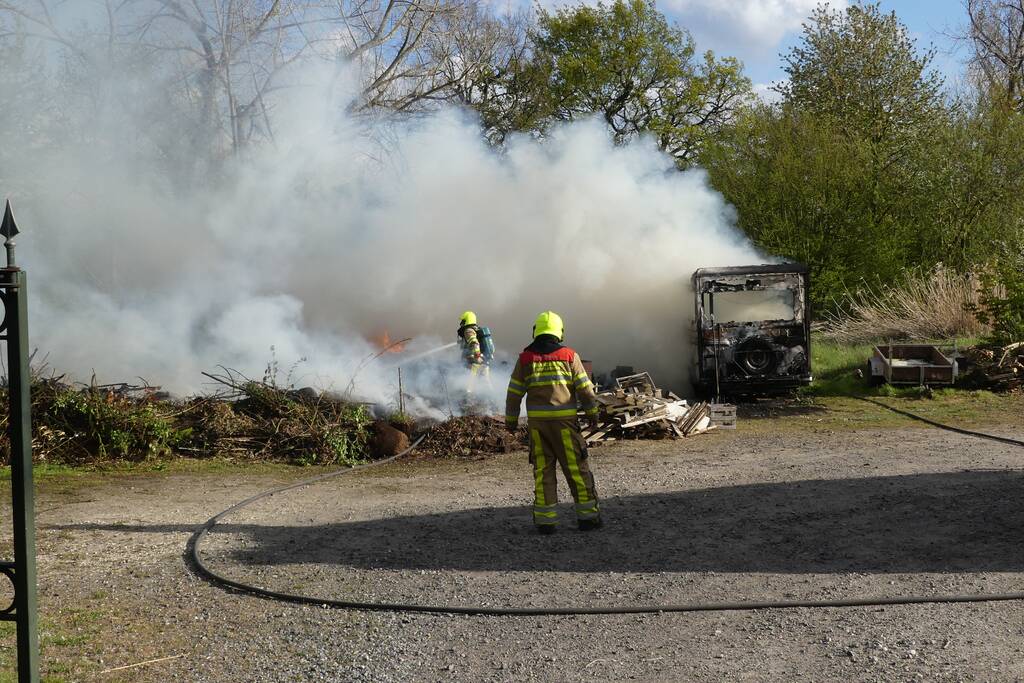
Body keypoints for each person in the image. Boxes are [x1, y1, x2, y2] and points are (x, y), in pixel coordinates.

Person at [505, 311, 603, 534]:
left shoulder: (525, 359)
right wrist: (592, 414)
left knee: (543, 472)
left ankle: (546, 522)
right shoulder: (569, 356)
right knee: (577, 470)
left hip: (538, 428)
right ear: (559, 332)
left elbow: (513, 394)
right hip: (565, 425)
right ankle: (588, 519)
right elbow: (586, 390)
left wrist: (510, 422)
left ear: (536, 331)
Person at [457, 310, 491, 391]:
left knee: (468, 386)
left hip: (474, 362)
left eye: (463, 321)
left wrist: (477, 355)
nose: (461, 323)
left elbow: (474, 342)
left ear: (467, 320)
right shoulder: (475, 330)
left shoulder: (468, 330)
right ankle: (493, 401)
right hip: (483, 361)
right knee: (486, 385)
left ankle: (468, 401)